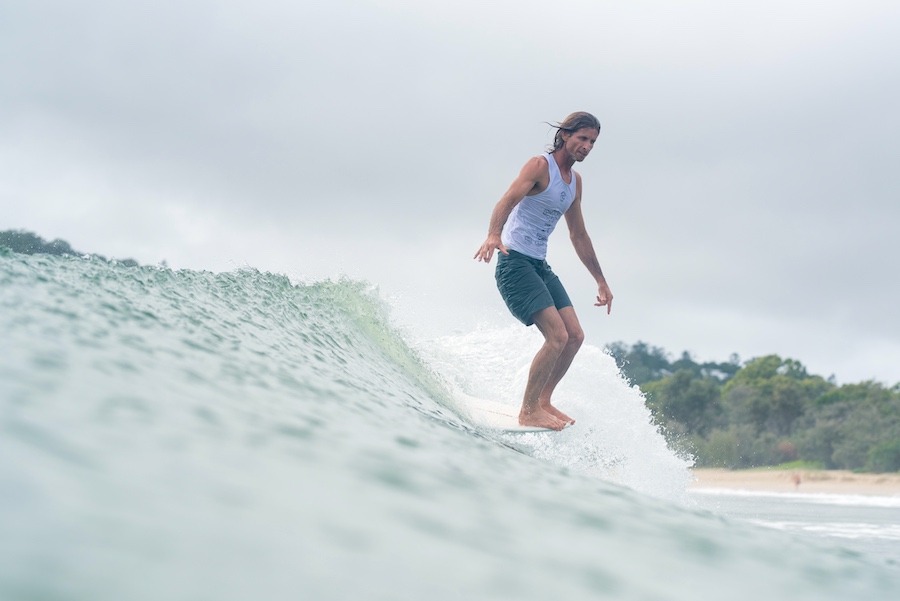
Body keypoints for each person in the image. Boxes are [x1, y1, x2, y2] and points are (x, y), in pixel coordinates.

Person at [473, 112, 613, 431]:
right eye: (582, 138)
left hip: (539, 264)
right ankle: (527, 410)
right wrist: (494, 234)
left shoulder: (574, 182)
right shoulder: (539, 166)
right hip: (514, 261)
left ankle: (543, 401)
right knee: (557, 336)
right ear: (565, 135)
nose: (587, 146)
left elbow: (578, 234)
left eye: (593, 142)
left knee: (575, 336)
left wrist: (601, 281)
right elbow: (507, 200)